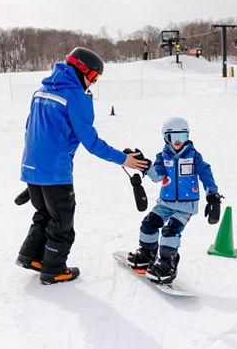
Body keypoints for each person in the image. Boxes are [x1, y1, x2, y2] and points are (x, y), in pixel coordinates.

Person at [16, 47, 149, 285]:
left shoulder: (41, 91)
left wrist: (34, 178)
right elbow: (91, 142)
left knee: (44, 213)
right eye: (94, 77)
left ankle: (31, 256)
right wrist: (123, 159)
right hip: (55, 172)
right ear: (81, 70)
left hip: (32, 167)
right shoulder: (76, 97)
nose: (92, 84)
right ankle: (54, 269)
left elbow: (29, 130)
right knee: (62, 222)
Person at [127, 117, 222, 284]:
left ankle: (167, 263)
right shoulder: (162, 157)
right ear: (165, 137)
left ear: (188, 136)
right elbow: (158, 177)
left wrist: (212, 195)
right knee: (148, 224)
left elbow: (205, 173)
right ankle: (147, 253)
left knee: (170, 231)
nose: (177, 141)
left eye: (182, 136)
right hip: (165, 203)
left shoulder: (194, 157)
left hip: (185, 206)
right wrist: (146, 165)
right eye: (173, 137)